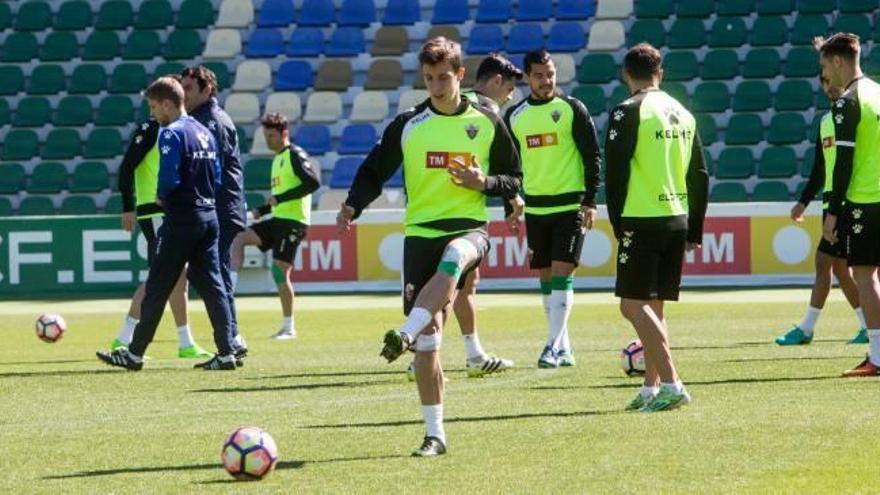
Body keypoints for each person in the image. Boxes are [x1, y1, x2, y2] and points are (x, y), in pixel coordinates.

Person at [337, 37, 521, 456]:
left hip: (470, 228)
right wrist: (351, 206)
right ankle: (434, 434)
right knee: (430, 341)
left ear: (459, 75)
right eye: (428, 78)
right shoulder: (408, 123)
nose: (436, 85)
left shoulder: (488, 117)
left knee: (455, 258)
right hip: (420, 233)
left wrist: (486, 184)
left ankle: (403, 332)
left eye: (443, 77)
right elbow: (374, 169)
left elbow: (513, 178)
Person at [97, 77, 237, 371]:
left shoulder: (171, 134)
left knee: (159, 284)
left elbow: (169, 177)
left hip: (181, 218)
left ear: (167, 104)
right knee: (213, 286)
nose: (152, 112)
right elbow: (218, 175)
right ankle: (226, 352)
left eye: (153, 106)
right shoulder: (204, 131)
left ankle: (134, 353)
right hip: (208, 215)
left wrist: (163, 198)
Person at [403, 53, 524, 380]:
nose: (510, 97)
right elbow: (493, 166)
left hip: (454, 214)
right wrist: (511, 196)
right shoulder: (485, 111)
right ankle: (447, 354)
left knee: (462, 285)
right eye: (510, 89)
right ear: (497, 82)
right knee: (456, 286)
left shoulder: (462, 102)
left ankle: (461, 352)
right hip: (457, 216)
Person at [604, 43, 709, 411]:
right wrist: (695, 227)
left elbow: (614, 175)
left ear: (625, 75)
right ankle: (650, 388)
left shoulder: (627, 111)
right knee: (655, 306)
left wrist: (617, 222)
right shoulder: (682, 111)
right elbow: (700, 174)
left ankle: (672, 382)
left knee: (631, 306)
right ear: (659, 73)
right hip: (677, 218)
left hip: (642, 217)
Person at [504, 49, 601, 368]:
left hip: (570, 206)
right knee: (546, 281)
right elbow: (509, 167)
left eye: (550, 75)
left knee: (561, 276)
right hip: (536, 211)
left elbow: (592, 156)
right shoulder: (515, 116)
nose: (546, 81)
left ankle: (550, 346)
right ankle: (565, 348)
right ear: (528, 77)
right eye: (539, 75)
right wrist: (512, 205)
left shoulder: (572, 109)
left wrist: (590, 200)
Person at [775, 73, 867, 346]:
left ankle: (807, 328)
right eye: (824, 83)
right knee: (839, 270)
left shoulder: (856, 117)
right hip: (831, 202)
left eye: (830, 81)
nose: (828, 88)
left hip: (848, 202)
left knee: (824, 263)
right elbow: (820, 167)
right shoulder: (826, 122)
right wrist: (804, 201)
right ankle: (865, 325)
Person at [112, 113, 211, 359]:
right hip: (154, 210)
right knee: (163, 276)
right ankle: (124, 338)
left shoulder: (176, 129)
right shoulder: (150, 128)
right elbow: (126, 167)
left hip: (169, 210)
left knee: (177, 278)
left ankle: (185, 343)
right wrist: (127, 206)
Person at [815, 33, 880, 377]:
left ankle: (879, 356)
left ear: (838, 61)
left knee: (865, 276)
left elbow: (843, 163)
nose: (826, 73)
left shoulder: (848, 102)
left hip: (866, 200)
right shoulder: (878, 93)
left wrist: (833, 214)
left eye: (825, 65)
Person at [230, 113, 320, 339]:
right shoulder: (277, 160)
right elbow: (278, 199)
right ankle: (229, 287)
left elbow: (313, 183)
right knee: (239, 237)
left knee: (279, 271)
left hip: (293, 223)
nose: (268, 140)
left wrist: (280, 200)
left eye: (272, 135)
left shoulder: (294, 155)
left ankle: (289, 327)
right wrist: (261, 211)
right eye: (266, 135)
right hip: (278, 220)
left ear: (284, 134)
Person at [180, 66, 248, 356]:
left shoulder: (210, 121)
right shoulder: (203, 119)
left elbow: (211, 170)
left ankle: (231, 340)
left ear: (207, 90)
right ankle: (232, 337)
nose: (183, 93)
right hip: (220, 206)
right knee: (208, 273)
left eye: (189, 88)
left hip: (219, 207)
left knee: (209, 273)